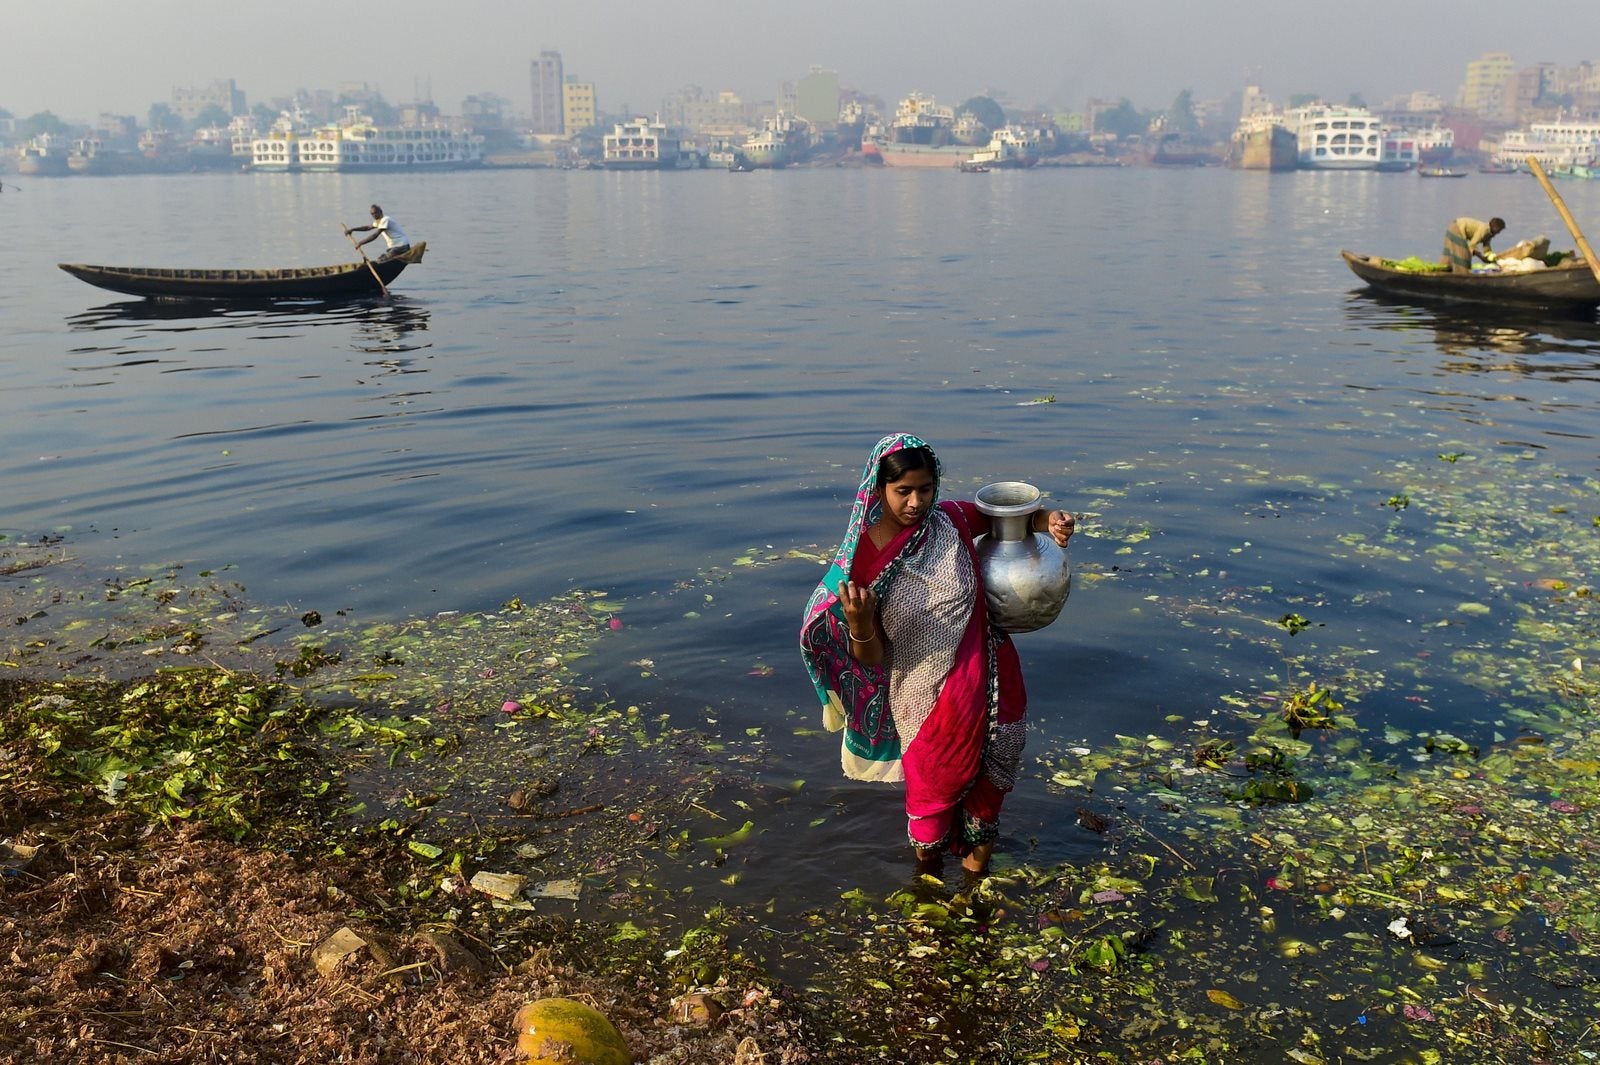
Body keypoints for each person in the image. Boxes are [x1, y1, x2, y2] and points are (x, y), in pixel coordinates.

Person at [799, 433, 1075, 889]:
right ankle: (927, 887)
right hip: (925, 697)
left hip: (993, 679)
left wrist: (1050, 521)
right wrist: (860, 624)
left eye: (924, 489)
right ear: (877, 489)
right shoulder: (861, 562)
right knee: (933, 799)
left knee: (992, 786)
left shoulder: (949, 521)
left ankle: (974, 884)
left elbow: (1006, 518)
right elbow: (868, 658)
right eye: (902, 491)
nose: (914, 502)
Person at [344, 204, 411, 262]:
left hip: (401, 246)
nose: (374, 215)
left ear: (380, 212)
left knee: (382, 261)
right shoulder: (378, 221)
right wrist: (352, 229)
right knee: (381, 258)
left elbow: (375, 235)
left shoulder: (385, 219)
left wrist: (360, 243)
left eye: (375, 213)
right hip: (394, 247)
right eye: (372, 214)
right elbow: (367, 227)